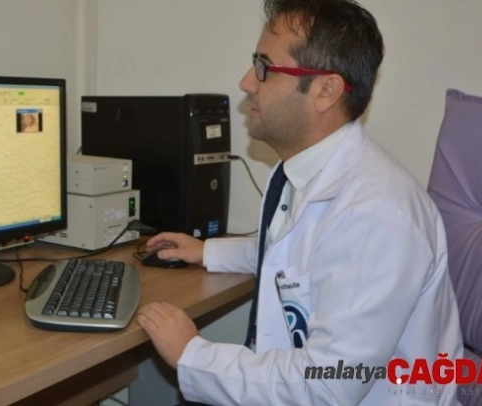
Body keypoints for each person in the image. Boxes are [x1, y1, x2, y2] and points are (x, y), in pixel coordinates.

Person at [136, 0, 463, 404]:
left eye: (264, 67)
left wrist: (193, 354)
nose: (246, 82)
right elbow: (297, 252)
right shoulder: (308, 170)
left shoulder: (377, 215)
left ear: (326, 90)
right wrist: (208, 251)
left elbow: (327, 387)